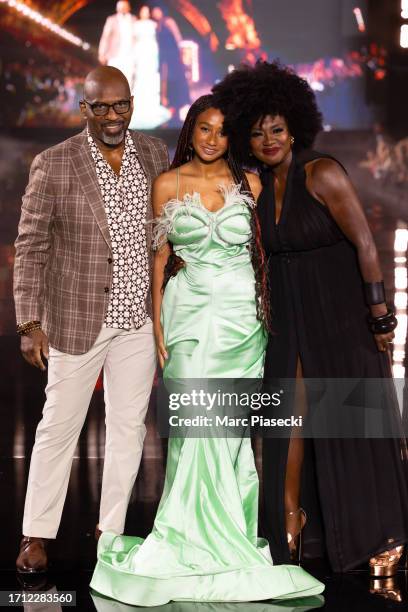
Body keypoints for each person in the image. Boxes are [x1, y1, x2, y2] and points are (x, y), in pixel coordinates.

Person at [90, 95, 324, 605]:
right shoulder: (167, 184)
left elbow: (270, 249)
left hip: (243, 322)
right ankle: (186, 532)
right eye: (204, 128)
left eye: (221, 130)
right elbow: (160, 259)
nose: (212, 138)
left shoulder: (251, 183)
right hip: (188, 316)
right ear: (190, 131)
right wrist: (157, 327)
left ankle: (230, 532)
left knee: (232, 432)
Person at [213, 61, 408, 575]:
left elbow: (365, 244)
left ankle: (380, 534)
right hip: (288, 315)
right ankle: (290, 525)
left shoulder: (321, 171)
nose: (268, 139)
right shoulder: (258, 187)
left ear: (295, 126)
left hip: (340, 313)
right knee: (286, 426)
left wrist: (380, 316)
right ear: (245, 141)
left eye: (276, 128)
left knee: (354, 424)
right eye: (256, 133)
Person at [14, 66, 169, 575]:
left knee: (128, 429)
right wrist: (28, 322)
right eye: (99, 106)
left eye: (119, 104)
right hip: (77, 317)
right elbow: (31, 246)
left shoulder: (153, 154)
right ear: (83, 108)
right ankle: (35, 535)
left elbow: (164, 237)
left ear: (132, 103)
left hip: (137, 318)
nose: (111, 115)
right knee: (58, 426)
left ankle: (111, 532)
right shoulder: (54, 164)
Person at [130, 5, 171, 130]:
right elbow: (133, 40)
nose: (145, 13)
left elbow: (159, 39)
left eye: (147, 11)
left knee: (151, 76)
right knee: (140, 77)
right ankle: (140, 106)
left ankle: (151, 104)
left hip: (151, 51)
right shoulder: (136, 24)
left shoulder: (154, 24)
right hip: (140, 51)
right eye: (143, 11)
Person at [151, 5, 190, 119]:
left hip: (173, 53)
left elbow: (177, 36)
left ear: (162, 11)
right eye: (154, 12)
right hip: (163, 54)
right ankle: (171, 101)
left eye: (157, 11)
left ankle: (182, 101)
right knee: (166, 77)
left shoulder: (169, 21)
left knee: (177, 75)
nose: (156, 13)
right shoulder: (156, 25)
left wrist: (181, 51)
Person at [98, 1, 138, 89]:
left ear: (129, 8)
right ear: (117, 8)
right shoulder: (111, 19)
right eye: (120, 7)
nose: (122, 8)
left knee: (128, 81)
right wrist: (101, 53)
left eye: (124, 6)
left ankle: (125, 102)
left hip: (129, 56)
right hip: (115, 55)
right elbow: (105, 37)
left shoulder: (134, 19)